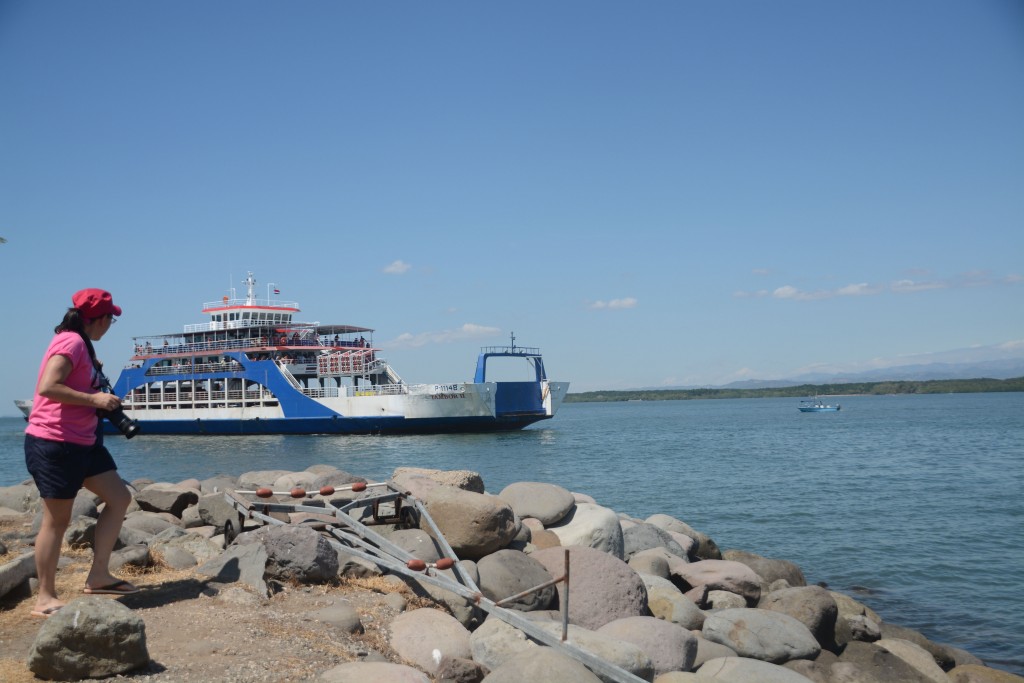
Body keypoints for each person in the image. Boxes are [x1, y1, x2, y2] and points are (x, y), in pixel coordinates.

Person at [24, 288, 138, 618]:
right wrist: (95, 399)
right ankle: (45, 597)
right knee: (56, 521)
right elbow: (48, 387)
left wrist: (92, 386)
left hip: (85, 442)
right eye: (111, 320)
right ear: (101, 319)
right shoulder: (71, 342)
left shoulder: (82, 345)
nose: (110, 326)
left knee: (119, 498)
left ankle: (98, 576)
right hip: (56, 442)